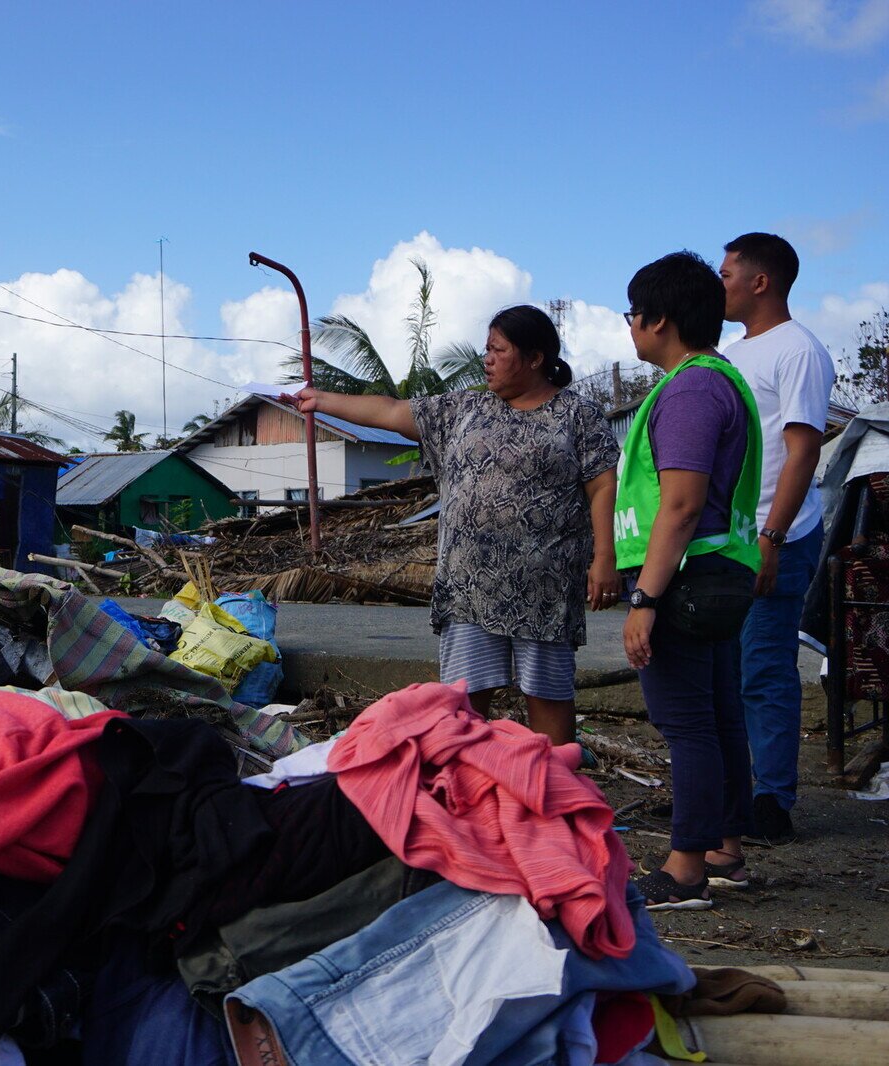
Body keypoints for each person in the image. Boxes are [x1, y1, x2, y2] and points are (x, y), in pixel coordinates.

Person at [292, 304, 619, 746]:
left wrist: (605, 558)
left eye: (497, 350)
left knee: (549, 698)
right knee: (463, 708)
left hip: (545, 590)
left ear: (535, 357)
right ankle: (466, 799)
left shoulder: (578, 415)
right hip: (469, 589)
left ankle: (557, 801)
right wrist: (320, 399)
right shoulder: (463, 407)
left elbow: (602, 486)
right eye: (486, 349)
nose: (486, 359)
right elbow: (389, 410)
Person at [616, 251, 763, 911]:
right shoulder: (718, 379)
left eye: (632, 313)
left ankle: (684, 870)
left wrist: (644, 598)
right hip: (720, 570)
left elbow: (678, 504)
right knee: (719, 714)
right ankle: (723, 848)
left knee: (688, 724)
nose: (629, 324)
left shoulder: (691, 389)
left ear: (659, 320)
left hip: (687, 577)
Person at [720, 233, 835, 845]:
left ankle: (771, 803)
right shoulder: (733, 355)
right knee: (722, 669)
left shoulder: (798, 351)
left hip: (776, 535)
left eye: (728, 274)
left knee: (763, 669)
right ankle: (726, 797)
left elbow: (802, 450)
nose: (721, 285)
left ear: (760, 282)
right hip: (728, 536)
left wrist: (772, 536)